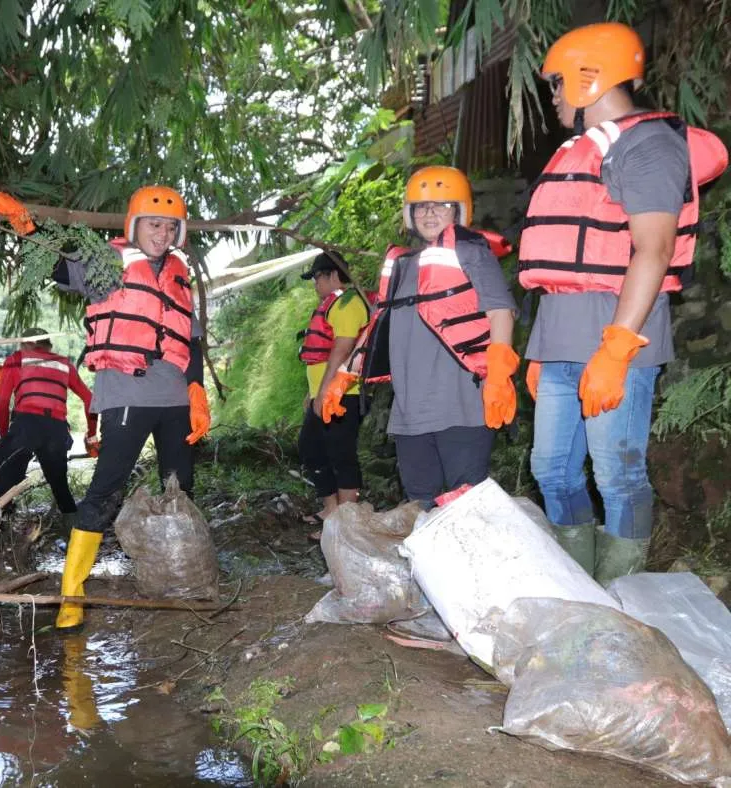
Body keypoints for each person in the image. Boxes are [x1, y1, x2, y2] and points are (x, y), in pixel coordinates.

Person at [519, 22, 727, 583]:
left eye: (559, 83)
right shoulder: (579, 151)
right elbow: (560, 266)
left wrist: (615, 349)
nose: (556, 96)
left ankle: (622, 591)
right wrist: (540, 350)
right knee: (553, 471)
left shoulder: (649, 144)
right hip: (561, 335)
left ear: (592, 78)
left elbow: (654, 249)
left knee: (617, 474)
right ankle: (579, 585)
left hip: (619, 334)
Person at [0, 186, 212, 632]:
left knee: (180, 486)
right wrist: (27, 229)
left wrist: (197, 390)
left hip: (175, 398)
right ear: (134, 226)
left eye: (169, 227)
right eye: (153, 225)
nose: (161, 234)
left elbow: (192, 339)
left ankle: (176, 579)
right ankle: (72, 594)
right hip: (127, 391)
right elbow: (59, 266)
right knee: (104, 492)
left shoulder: (179, 275)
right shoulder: (109, 264)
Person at [323, 166, 519, 509]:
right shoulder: (400, 265)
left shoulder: (472, 252)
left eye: (441, 205)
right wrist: (344, 375)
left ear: (460, 211)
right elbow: (378, 326)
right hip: (410, 413)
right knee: (419, 506)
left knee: (466, 505)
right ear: (409, 214)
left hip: (462, 406)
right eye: (421, 206)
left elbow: (500, 311)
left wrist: (500, 375)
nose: (429, 212)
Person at [0, 331, 97, 524]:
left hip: (26, 425)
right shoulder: (64, 363)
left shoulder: (16, 359)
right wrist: (91, 437)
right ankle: (75, 542)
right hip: (57, 429)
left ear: (24, 345)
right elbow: (89, 399)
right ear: (48, 346)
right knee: (61, 488)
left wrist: (4, 437)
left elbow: (2, 404)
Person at [295, 251, 370, 540]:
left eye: (318, 277)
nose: (315, 284)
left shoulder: (348, 304)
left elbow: (343, 347)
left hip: (343, 394)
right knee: (311, 448)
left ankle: (344, 524)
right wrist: (312, 393)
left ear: (334, 276)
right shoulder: (334, 304)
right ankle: (330, 510)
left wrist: (325, 390)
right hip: (324, 393)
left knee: (341, 455)